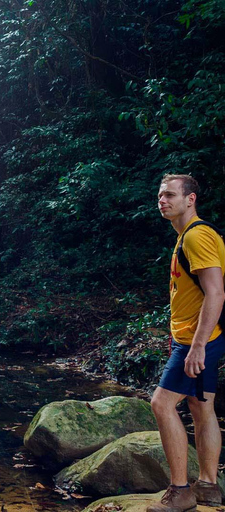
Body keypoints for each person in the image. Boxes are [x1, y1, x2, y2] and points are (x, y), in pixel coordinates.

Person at [149, 174, 225, 512]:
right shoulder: (187, 237)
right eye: (160, 196)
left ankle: (180, 492)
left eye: (169, 195)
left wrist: (195, 346)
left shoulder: (197, 237)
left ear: (190, 199)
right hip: (199, 338)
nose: (162, 200)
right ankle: (209, 486)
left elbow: (216, 292)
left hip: (200, 340)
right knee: (201, 407)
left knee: (162, 405)